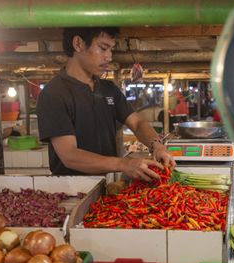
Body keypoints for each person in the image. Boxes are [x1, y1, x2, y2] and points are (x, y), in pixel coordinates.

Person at [37, 27, 175, 181]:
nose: (109, 57)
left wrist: (156, 144)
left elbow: (137, 122)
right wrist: (124, 164)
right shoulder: (54, 94)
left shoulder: (109, 89)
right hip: (73, 190)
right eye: (103, 48)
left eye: (111, 49)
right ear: (78, 44)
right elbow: (70, 155)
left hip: (108, 185)